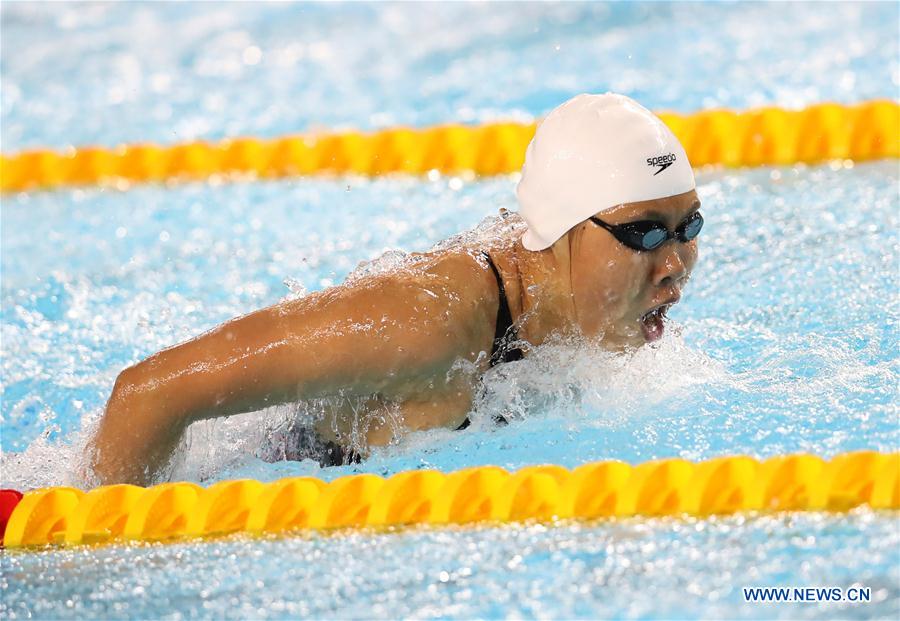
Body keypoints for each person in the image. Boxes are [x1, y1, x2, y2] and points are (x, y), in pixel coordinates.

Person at [89, 93, 703, 485]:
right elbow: (147, 393)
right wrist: (95, 550)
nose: (674, 263)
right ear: (561, 230)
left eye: (688, 228)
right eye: (644, 235)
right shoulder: (423, 324)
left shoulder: (556, 297)